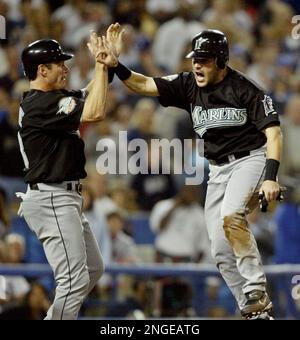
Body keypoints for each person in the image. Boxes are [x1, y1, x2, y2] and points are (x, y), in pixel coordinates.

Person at [104, 27, 283, 320]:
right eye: (195, 58)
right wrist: (117, 66)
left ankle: (256, 288)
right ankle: (255, 312)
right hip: (216, 169)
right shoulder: (188, 84)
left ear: (222, 60)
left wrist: (270, 176)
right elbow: (145, 85)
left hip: (249, 159)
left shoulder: (245, 88)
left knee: (231, 217)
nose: (198, 64)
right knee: (220, 251)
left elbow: (274, 134)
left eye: (206, 59)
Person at [17, 29, 119, 319]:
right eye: (59, 63)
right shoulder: (38, 104)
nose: (66, 67)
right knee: (73, 281)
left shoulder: (54, 98)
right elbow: (96, 110)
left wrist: (107, 64)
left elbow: (91, 94)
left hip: (63, 197)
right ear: (42, 69)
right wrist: (99, 66)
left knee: (92, 269)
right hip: (51, 197)